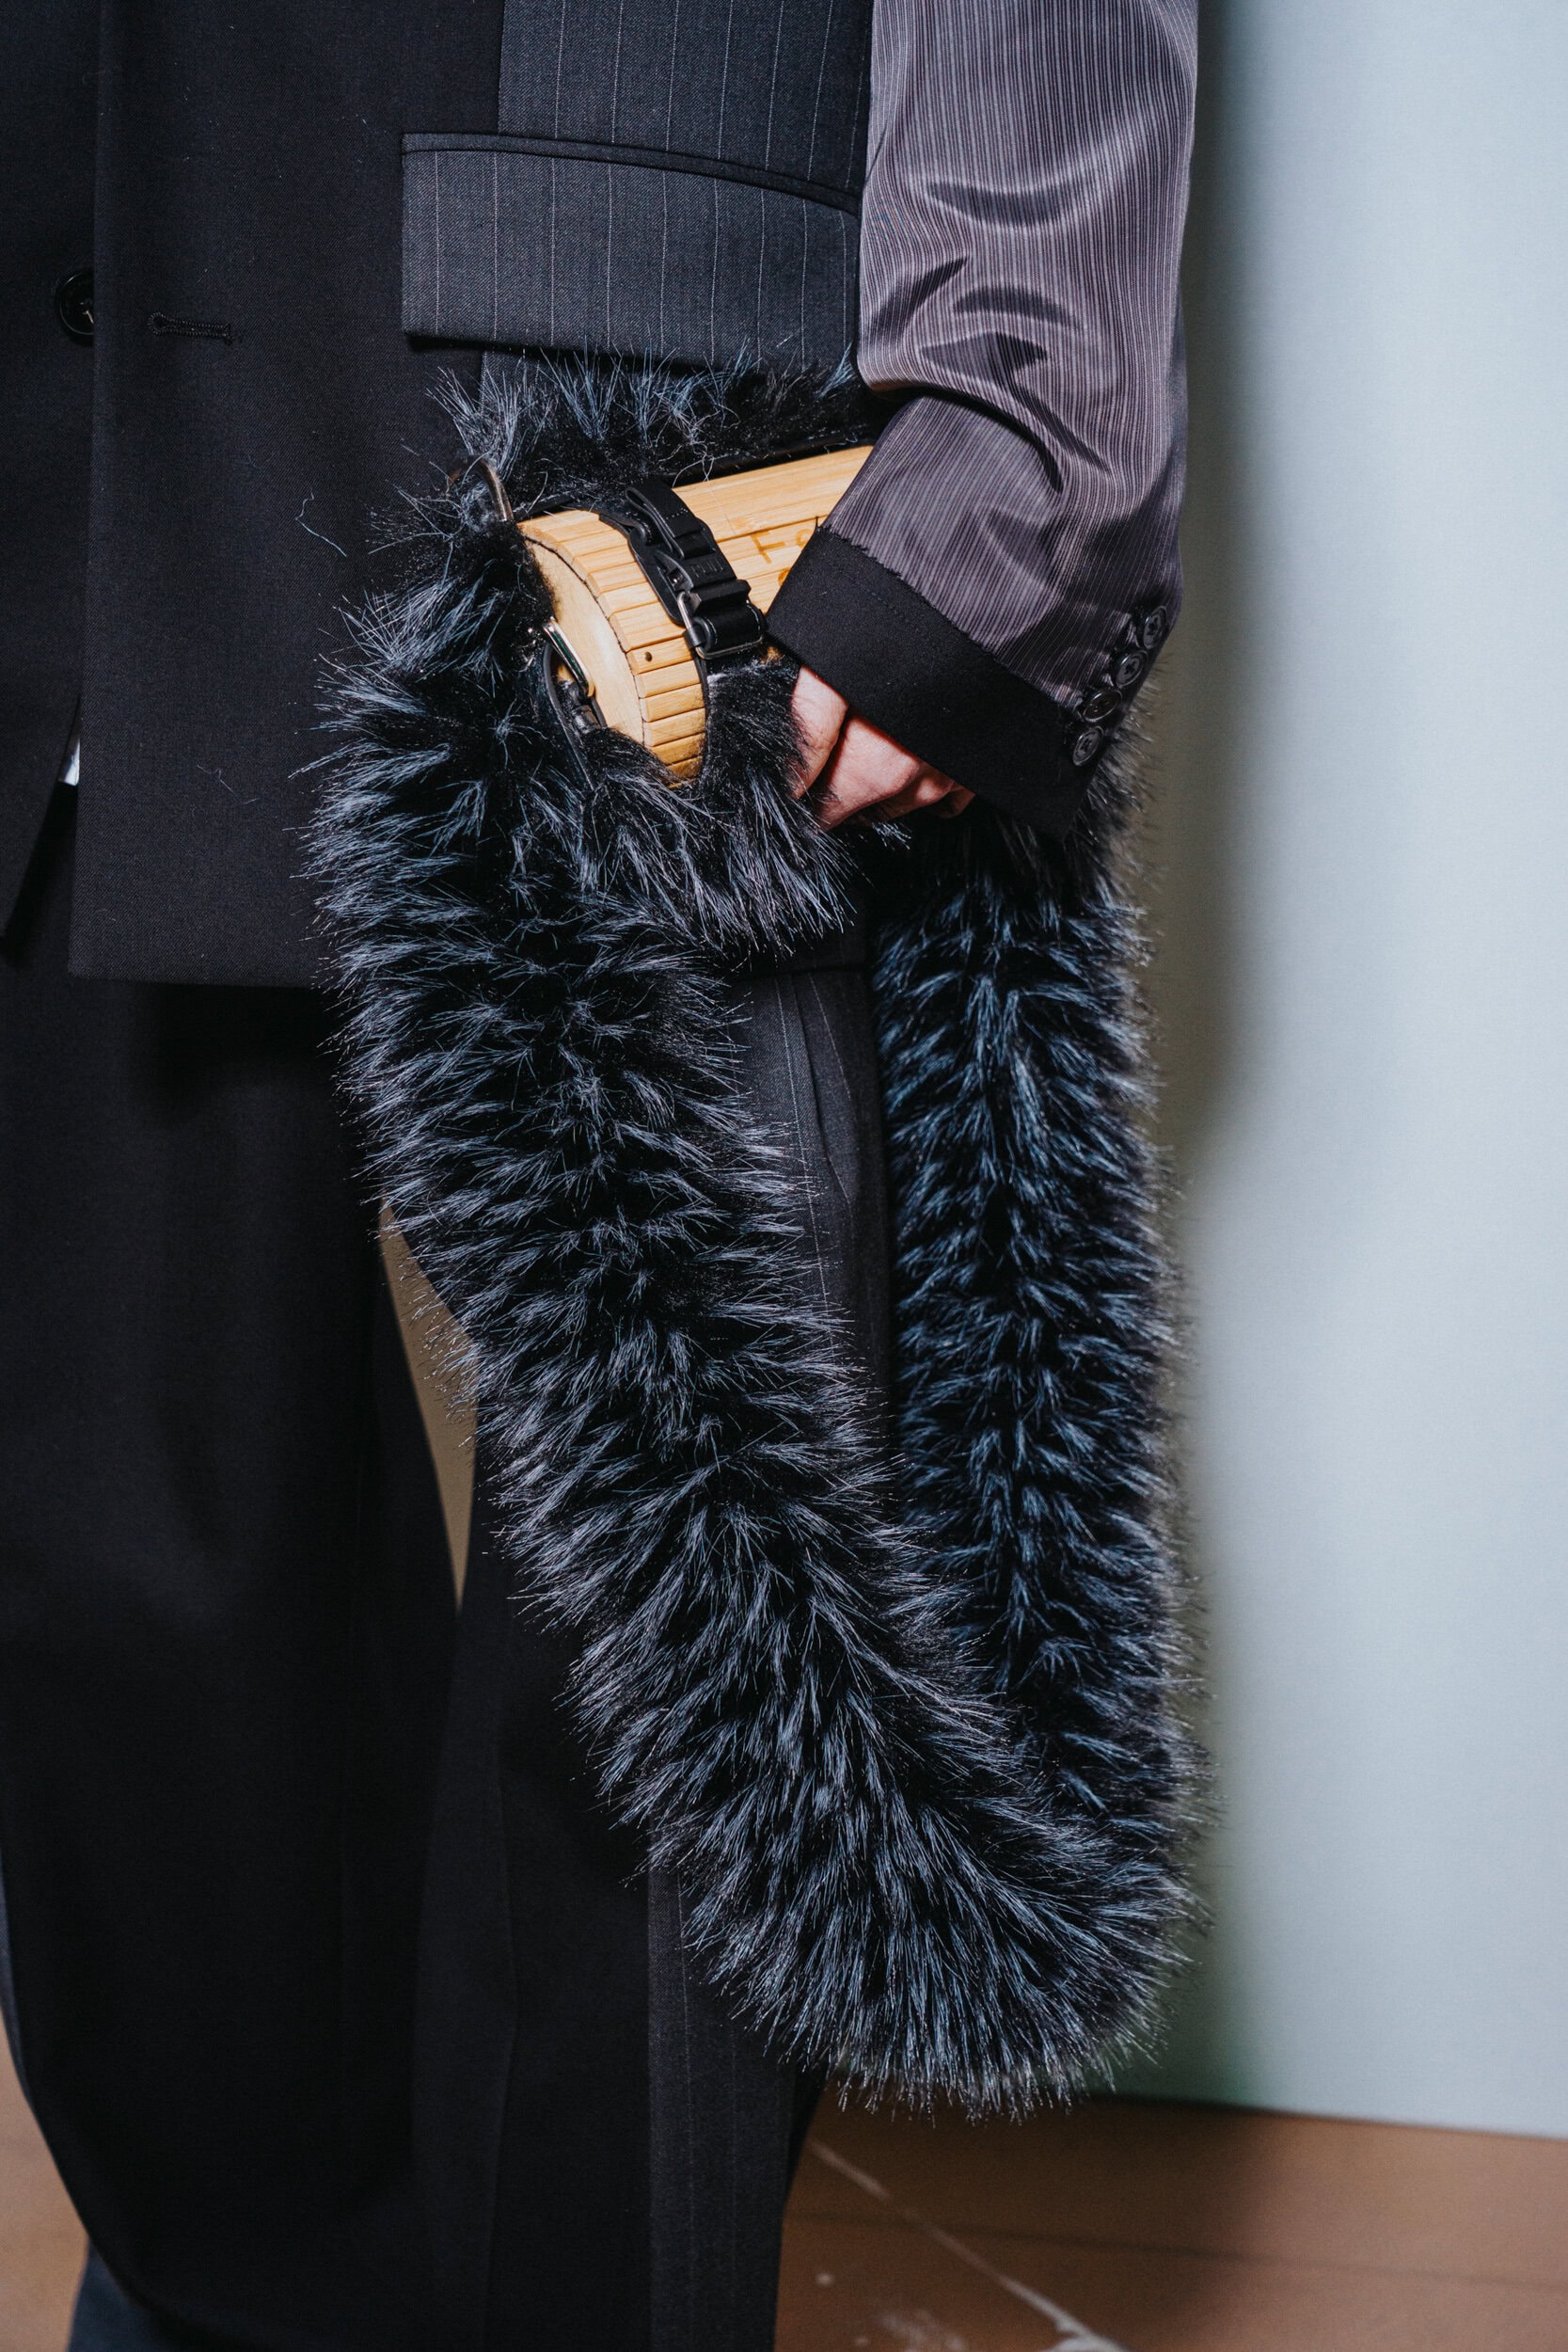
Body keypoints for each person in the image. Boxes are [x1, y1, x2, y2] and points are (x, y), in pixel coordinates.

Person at [0, 3, 1197, 2346]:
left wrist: (1020, 421)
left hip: (624, 428)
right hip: (65, 383)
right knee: (121, 1587)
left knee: (686, 1662)